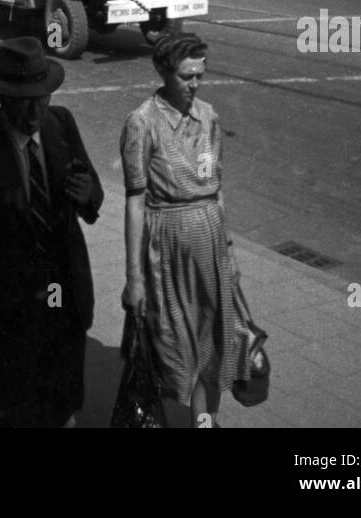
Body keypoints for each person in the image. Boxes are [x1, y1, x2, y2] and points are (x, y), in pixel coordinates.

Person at [0, 37, 103, 428]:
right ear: (1, 97)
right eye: (23, 100)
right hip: (6, 321)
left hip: (62, 307)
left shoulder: (61, 123)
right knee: (13, 416)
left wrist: (89, 196)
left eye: (42, 97)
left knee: (63, 409)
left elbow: (91, 187)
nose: (35, 110)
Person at [120, 32, 241, 427]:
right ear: (163, 72)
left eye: (199, 76)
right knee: (172, 345)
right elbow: (135, 201)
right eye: (186, 76)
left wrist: (228, 248)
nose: (194, 84)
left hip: (209, 241)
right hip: (167, 247)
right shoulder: (142, 123)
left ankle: (204, 422)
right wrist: (134, 278)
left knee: (213, 343)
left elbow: (217, 188)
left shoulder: (208, 116)